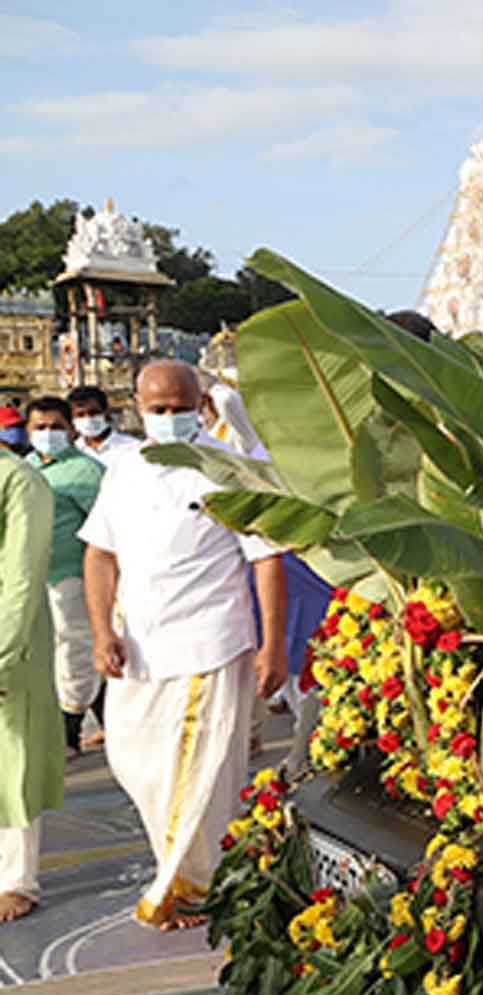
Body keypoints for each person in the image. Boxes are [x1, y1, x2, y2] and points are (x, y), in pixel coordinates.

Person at [80, 361, 287, 931]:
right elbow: (100, 555)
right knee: (134, 762)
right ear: (138, 407)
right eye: (158, 409)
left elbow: (266, 560)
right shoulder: (123, 468)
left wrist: (274, 646)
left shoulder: (226, 470)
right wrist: (102, 631)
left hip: (210, 643)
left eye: (179, 408)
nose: (168, 418)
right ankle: (193, 870)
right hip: (140, 648)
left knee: (195, 773)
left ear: (201, 406)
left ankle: (186, 886)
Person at [23, 397, 106, 757]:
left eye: (55, 427)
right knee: (43, 655)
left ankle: (68, 733)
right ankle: (105, 720)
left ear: (71, 429)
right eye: (39, 428)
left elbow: (104, 532)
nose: (47, 434)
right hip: (27, 578)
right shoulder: (22, 468)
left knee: (73, 650)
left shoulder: (87, 472)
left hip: (70, 575)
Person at [0, 447, 61, 923]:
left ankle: (16, 879)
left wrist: (3, 653)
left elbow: (23, 573)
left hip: (10, 637)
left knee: (12, 757)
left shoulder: (20, 481)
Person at [68, 386, 140, 462]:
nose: (88, 419)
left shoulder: (132, 447)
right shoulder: (72, 453)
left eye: (94, 413)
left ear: (106, 412)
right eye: (80, 415)